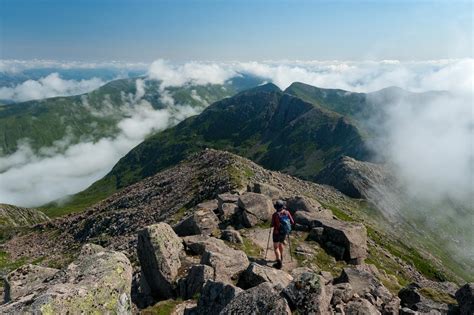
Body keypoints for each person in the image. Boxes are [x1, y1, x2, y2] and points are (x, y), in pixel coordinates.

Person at [271, 200, 294, 269]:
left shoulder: (275, 215)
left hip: (276, 233)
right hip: (284, 232)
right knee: (280, 244)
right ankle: (281, 257)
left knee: (276, 247)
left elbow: (272, 224)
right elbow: (292, 222)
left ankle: (279, 264)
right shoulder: (287, 212)